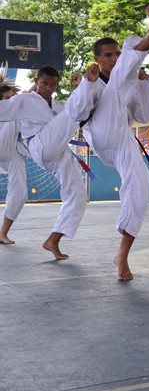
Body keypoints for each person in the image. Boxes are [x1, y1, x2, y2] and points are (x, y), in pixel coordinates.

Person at [65, 6, 149, 280]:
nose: (114, 58)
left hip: (122, 141)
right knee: (120, 81)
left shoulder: (126, 83)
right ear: (97, 58)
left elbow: (143, 115)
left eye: (118, 54)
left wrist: (145, 85)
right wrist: (87, 83)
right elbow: (76, 113)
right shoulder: (93, 81)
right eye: (109, 55)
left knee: (141, 190)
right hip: (101, 134)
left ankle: (122, 255)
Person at [0, 66, 87, 259]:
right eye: (44, 83)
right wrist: (83, 88)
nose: (49, 88)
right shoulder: (25, 100)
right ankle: (86, 88)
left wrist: (80, 89)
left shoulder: (58, 105)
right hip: (35, 145)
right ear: (37, 81)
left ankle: (53, 240)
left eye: (53, 84)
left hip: (49, 153)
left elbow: (83, 111)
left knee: (79, 195)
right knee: (74, 108)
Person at [0, 69, 28, 245]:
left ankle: (2, 233)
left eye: (12, 98)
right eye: (7, 99)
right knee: (16, 114)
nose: (11, 101)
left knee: (20, 192)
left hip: (10, 151)